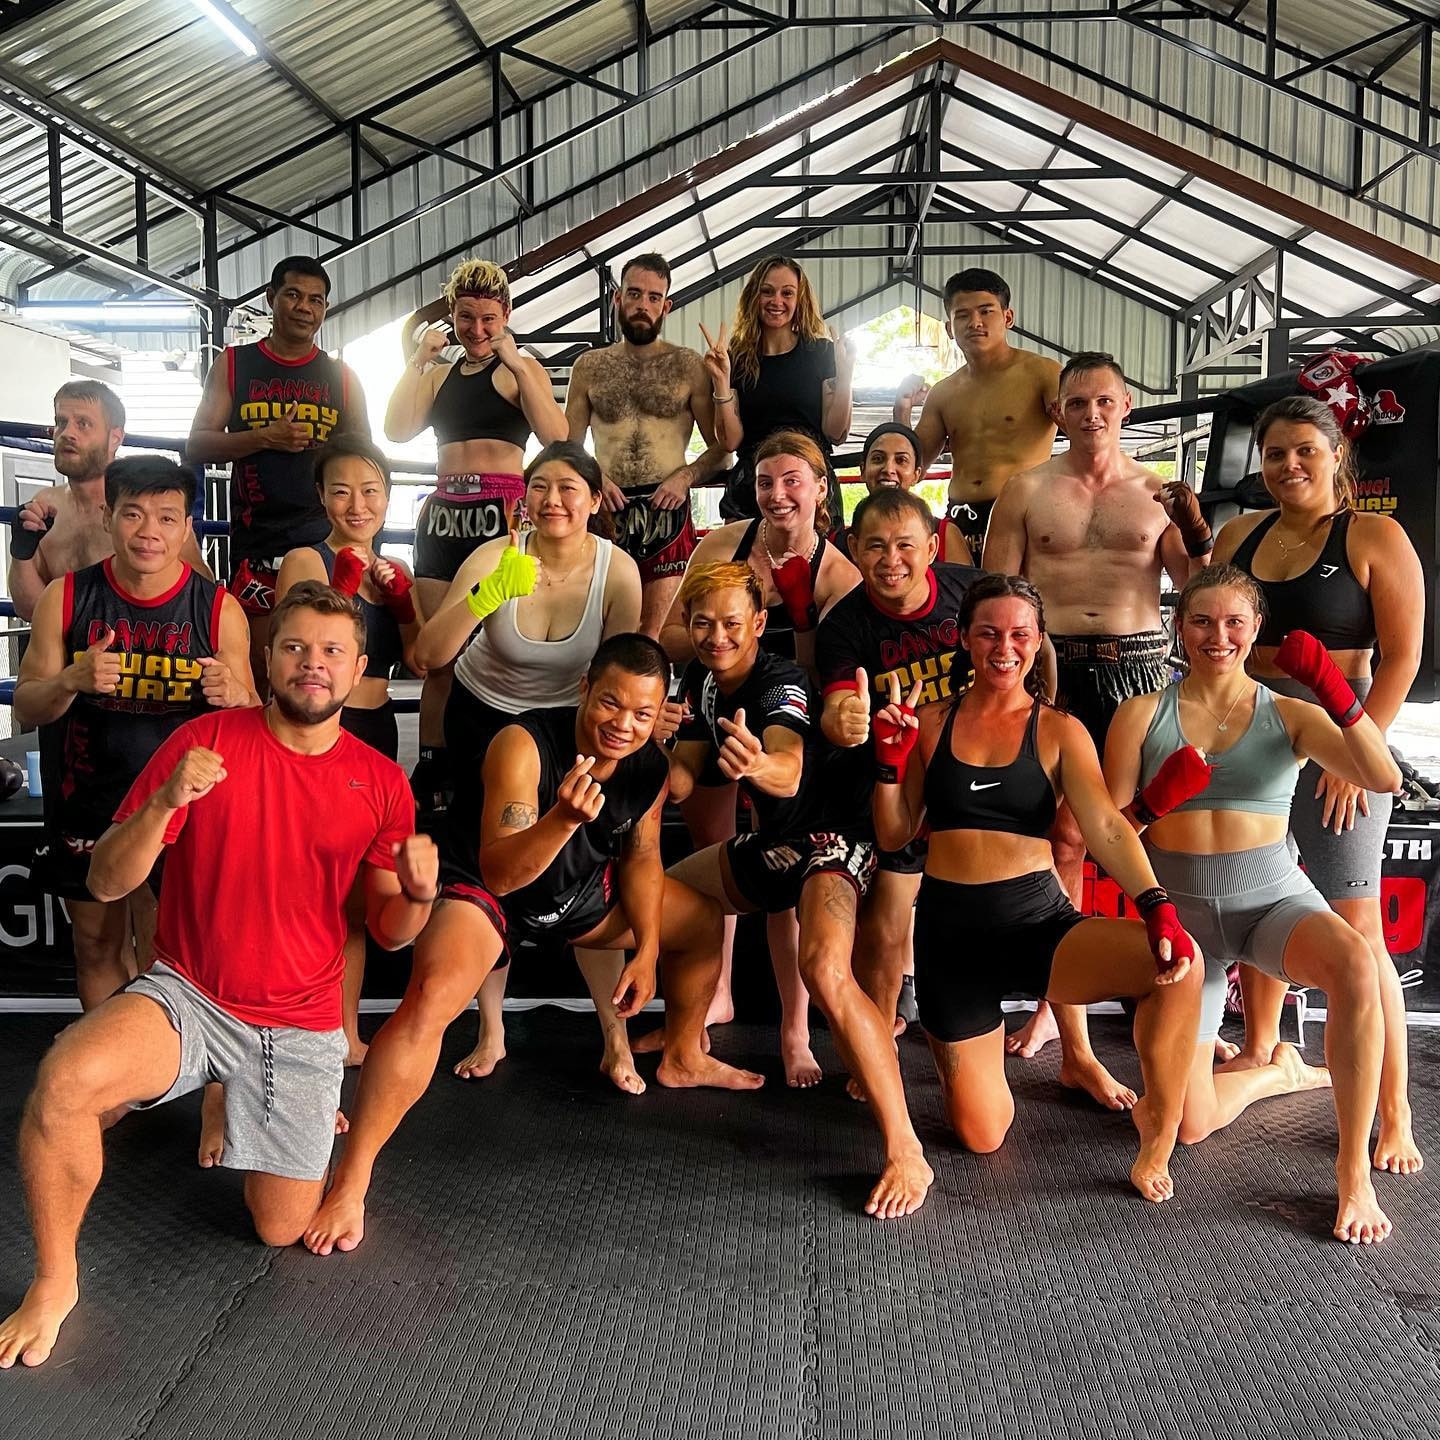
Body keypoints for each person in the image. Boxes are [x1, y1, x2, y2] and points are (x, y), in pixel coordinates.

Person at [0, 581, 435, 1370]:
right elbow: (104, 882)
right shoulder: (207, 743)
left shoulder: (379, 780)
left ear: (360, 668)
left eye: (332, 651)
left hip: (301, 1022)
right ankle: (55, 1282)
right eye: (296, 647)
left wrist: (417, 891)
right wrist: (166, 802)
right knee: (63, 1083)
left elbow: (390, 934)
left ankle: (263, 1111)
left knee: (278, 1228)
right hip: (190, 994)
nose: (313, 665)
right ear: (267, 659)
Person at [301, 633, 761, 1258]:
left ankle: (683, 1055)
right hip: (490, 890)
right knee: (431, 998)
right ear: (584, 691)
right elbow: (502, 873)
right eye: (610, 704)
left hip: (576, 894)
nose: (623, 725)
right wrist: (563, 821)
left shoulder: (649, 765)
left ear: (660, 714)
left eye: (643, 714)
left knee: (701, 921)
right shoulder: (523, 745)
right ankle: (351, 1182)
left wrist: (649, 949)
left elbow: (645, 857)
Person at [872, 574, 1204, 1203]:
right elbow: (893, 836)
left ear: (1038, 641)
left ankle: (1155, 1140)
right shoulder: (932, 723)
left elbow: (1105, 826)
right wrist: (889, 762)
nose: (1005, 647)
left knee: (1181, 965)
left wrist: (1156, 904)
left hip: (1034, 923)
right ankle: (977, 1052)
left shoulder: (1058, 729)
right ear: (964, 639)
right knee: (981, 1133)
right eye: (989, 633)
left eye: (1020, 635)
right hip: (949, 940)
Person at [1105, 565, 1402, 1243]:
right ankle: (1280, 1075)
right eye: (1203, 621)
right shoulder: (1141, 714)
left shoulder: (1291, 713)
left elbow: (1381, 776)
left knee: (1356, 965)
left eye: (1235, 622)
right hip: (1183, 921)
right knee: (1191, 1123)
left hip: (1272, 902)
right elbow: (1110, 834)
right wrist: (1153, 802)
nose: (1219, 635)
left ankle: (1351, 1175)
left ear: (1255, 629)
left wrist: (1335, 692)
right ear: (1179, 628)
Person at [662, 563, 931, 1215]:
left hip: (838, 841)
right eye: (702, 622)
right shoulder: (701, 682)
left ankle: (906, 1152)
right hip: (779, 845)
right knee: (664, 897)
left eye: (731, 623)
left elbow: (786, 766)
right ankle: (682, 1045)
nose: (716, 636)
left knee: (825, 969)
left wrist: (757, 764)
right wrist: (643, 740)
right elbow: (682, 777)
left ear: (758, 623)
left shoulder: (779, 681)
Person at [982, 351, 1214, 1102]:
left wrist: (1195, 525)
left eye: (1104, 401)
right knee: (1063, 836)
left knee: (1156, 826)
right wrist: (1023, 666)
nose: (1091, 415)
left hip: (1142, 666)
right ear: (1058, 411)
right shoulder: (1026, 490)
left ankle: (1181, 986)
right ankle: (1063, 1012)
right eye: (1076, 403)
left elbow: (1198, 587)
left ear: (1126, 403)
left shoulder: (1156, 490)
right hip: (1052, 667)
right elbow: (1001, 593)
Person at [1214, 394, 1425, 1176]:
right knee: (1260, 901)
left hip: (1342, 738)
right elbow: (1217, 633)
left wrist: (1353, 748)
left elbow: (1402, 656)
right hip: (1255, 736)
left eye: (1305, 450)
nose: (1289, 466)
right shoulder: (1241, 535)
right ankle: (1265, 1049)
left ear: (1337, 455)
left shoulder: (1373, 535)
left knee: (1358, 926)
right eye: (1274, 454)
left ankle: (1395, 1111)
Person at [412, 442, 647, 1091]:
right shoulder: (496, 556)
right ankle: (491, 1030)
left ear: (596, 500)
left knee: (585, 870)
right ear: (523, 497)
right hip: (485, 722)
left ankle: (614, 1037)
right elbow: (427, 655)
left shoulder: (617, 570)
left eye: (569, 487)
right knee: (491, 873)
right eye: (540, 486)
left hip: (569, 729)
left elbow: (627, 667)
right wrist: (489, 596)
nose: (553, 501)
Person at [13, 456, 255, 1012]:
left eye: (168, 518)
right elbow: (28, 701)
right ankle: (111, 1080)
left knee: (176, 950)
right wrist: (71, 678)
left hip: (180, 806)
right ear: (107, 516)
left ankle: (166, 1069)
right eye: (134, 514)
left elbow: (254, 724)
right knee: (96, 944)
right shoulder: (66, 597)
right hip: (87, 798)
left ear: (188, 526)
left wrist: (239, 697)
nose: (150, 533)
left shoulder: (218, 610)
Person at [656, 431, 858, 1054]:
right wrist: (727, 625)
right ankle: (715, 992)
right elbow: (669, 635)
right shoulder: (725, 543)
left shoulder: (839, 572)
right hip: (716, 705)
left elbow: (825, 677)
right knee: (712, 851)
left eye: (792, 481)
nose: (777, 494)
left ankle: (795, 1030)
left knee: (783, 871)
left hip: (789, 720)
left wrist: (794, 613)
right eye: (766, 481)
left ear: (820, 489)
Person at [385, 258, 568, 812]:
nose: (477, 330)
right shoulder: (438, 371)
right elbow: (395, 429)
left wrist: (517, 360)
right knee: (438, 650)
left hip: (501, 511)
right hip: (444, 510)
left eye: (489, 318)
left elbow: (556, 435)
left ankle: (510, 756)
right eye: (467, 318)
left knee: (503, 638)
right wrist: (417, 362)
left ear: (505, 315)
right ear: (453, 316)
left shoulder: (520, 368)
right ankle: (437, 766)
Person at [277, 436, 427, 1067]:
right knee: (300, 884)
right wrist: (347, 583)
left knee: (357, 896)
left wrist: (403, 602)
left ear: (388, 498)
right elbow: (304, 648)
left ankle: (341, 1033)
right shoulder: (302, 560)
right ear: (321, 497)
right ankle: (288, 1027)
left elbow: (419, 659)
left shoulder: (397, 568)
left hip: (376, 731)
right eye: (341, 490)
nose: (357, 504)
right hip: (315, 735)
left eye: (370, 491)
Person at [819, 486, 982, 1042]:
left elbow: (1032, 638)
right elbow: (839, 703)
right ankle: (878, 1032)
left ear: (933, 547)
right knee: (888, 920)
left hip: (972, 772)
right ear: (853, 549)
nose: (892, 561)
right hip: (892, 779)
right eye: (876, 547)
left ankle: (1040, 1028)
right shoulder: (844, 624)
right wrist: (848, 721)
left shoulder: (972, 594)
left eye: (905, 545)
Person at [187, 256, 369, 693]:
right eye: (293, 295)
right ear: (271, 298)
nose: (305, 308)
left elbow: (365, 461)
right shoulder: (235, 364)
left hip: (323, 539)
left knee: (318, 664)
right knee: (260, 667)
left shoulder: (341, 377)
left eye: (316, 300)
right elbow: (197, 444)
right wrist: (265, 437)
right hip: (257, 542)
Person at [566, 252, 730, 636]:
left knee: (654, 635)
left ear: (666, 306)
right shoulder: (589, 367)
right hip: (608, 508)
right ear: (617, 299)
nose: (643, 305)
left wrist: (686, 477)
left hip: (667, 510)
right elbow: (569, 448)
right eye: (635, 294)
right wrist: (595, 479)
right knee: (602, 632)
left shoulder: (688, 365)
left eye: (654, 297)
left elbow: (722, 447)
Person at [10, 380, 209, 621]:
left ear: (115, 438)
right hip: (68, 653)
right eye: (61, 422)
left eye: (83, 424)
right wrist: (22, 554)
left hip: (141, 649)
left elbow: (202, 595)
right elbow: (31, 611)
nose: (67, 434)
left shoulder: (147, 507)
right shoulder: (46, 504)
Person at [899, 269, 1060, 560]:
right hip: (962, 517)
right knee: (960, 603)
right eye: (962, 315)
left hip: (1024, 514)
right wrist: (902, 408)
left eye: (986, 311)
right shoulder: (944, 392)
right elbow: (912, 466)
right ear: (949, 327)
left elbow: (1088, 434)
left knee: (1016, 603)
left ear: (1007, 318)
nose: (975, 322)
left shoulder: (1043, 373)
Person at [702, 255, 854, 523]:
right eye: (767, 291)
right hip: (754, 483)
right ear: (754, 296)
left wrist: (846, 376)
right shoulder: (734, 358)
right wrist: (721, 381)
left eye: (787, 293)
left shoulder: (821, 352)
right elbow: (730, 441)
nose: (777, 301)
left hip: (810, 479)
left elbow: (836, 433)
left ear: (799, 300)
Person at [829, 422, 972, 566]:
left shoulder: (944, 534)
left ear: (916, 475)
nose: (889, 469)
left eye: (901, 460)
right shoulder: (838, 543)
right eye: (878, 459)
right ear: (863, 470)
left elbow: (967, 587)